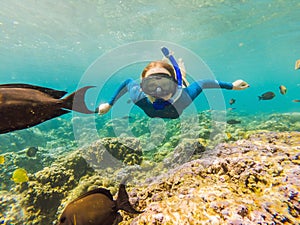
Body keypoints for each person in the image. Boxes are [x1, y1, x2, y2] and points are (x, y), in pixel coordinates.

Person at [97, 47, 249, 119]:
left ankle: (180, 73)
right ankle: (174, 71)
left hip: (180, 85)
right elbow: (128, 81)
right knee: (177, 75)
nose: (158, 91)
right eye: (151, 85)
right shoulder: (139, 96)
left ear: (173, 85)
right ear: (143, 87)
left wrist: (232, 86)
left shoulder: (184, 95)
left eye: (164, 85)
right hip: (176, 86)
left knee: (182, 78)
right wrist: (110, 105)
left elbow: (204, 83)